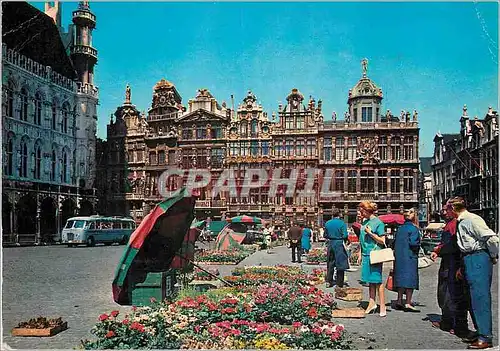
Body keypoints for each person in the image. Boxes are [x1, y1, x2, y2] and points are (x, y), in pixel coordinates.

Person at [448, 197, 498, 349]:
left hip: (477, 257)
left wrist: (493, 256)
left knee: (480, 297)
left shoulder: (472, 219)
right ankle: (480, 331)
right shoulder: (462, 221)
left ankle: (486, 337)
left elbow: (492, 238)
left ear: (453, 209)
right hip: (468, 258)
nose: (445, 212)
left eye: (447, 209)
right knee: (471, 298)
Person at [430, 202, 470, 338]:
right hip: (448, 262)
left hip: (452, 264)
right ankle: (448, 321)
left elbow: (454, 245)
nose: (443, 213)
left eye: (445, 210)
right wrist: (439, 250)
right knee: (445, 293)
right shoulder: (449, 224)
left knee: (450, 294)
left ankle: (454, 324)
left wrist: (439, 250)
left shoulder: (454, 224)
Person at [359, 200, 387, 317]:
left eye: (362, 211)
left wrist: (371, 233)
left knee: (377, 281)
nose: (360, 213)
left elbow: (383, 241)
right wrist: (360, 253)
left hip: (375, 255)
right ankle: (372, 303)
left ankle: (383, 306)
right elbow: (362, 240)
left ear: (367, 211)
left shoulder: (378, 223)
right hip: (366, 254)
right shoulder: (365, 222)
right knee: (370, 280)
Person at [393, 208, 421, 312]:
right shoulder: (414, 229)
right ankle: (408, 302)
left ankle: (399, 300)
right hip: (410, 257)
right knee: (410, 279)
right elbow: (414, 243)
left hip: (399, 257)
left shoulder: (400, 228)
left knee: (400, 279)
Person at [324, 208, 349, 288]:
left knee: (330, 263)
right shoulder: (342, 223)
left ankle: (329, 281)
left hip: (331, 243)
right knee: (340, 264)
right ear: (340, 214)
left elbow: (325, 235)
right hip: (339, 243)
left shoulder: (327, 223)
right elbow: (345, 235)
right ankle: (339, 283)